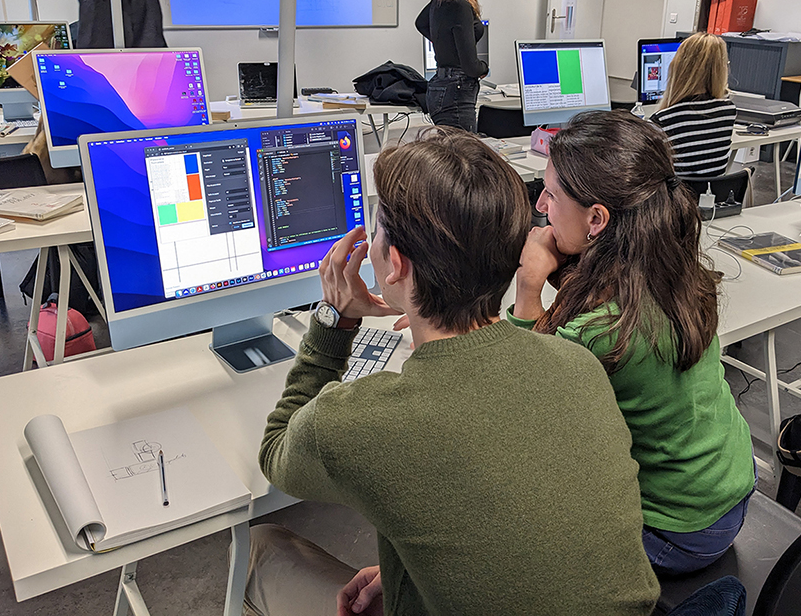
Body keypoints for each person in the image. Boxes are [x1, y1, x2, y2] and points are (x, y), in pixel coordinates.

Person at [247, 128, 659, 615]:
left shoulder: (357, 421)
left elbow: (275, 451)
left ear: (394, 263)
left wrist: (335, 320)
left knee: (264, 548)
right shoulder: (578, 365)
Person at [510, 110, 756, 575]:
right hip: (731, 484)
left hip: (676, 532)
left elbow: (525, 404)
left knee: (516, 505)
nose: (540, 204)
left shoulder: (598, 332)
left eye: (551, 194)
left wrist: (528, 288)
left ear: (597, 219)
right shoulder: (676, 270)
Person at [415, 0, 488, 132]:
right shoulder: (460, 5)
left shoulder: (440, 0)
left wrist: (445, 44)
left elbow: (420, 23)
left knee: (450, 148)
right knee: (464, 149)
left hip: (439, 86)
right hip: (457, 91)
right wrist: (485, 68)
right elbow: (471, 67)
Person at [651, 32, 737, 178]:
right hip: (712, 191)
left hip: (676, 193)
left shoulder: (662, 121)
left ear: (678, 67)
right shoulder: (729, 111)